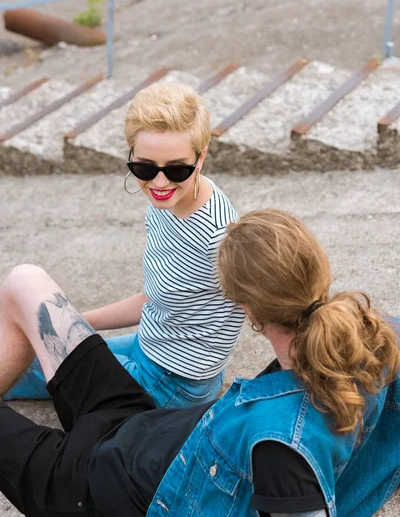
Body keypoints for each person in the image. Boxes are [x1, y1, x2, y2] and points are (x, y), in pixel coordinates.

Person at [1, 208, 399, 517]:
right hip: (139, 425)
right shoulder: (378, 333)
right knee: (25, 280)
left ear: (246, 310)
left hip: (92, 489)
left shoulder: (280, 445)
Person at [4, 81, 245, 408]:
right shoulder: (168, 202)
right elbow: (154, 297)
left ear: (200, 159)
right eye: (144, 167)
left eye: (177, 169)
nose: (160, 182)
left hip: (173, 382)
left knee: (34, 370)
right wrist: (77, 321)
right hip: (151, 346)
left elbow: (265, 304)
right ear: (131, 156)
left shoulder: (219, 236)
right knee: (39, 344)